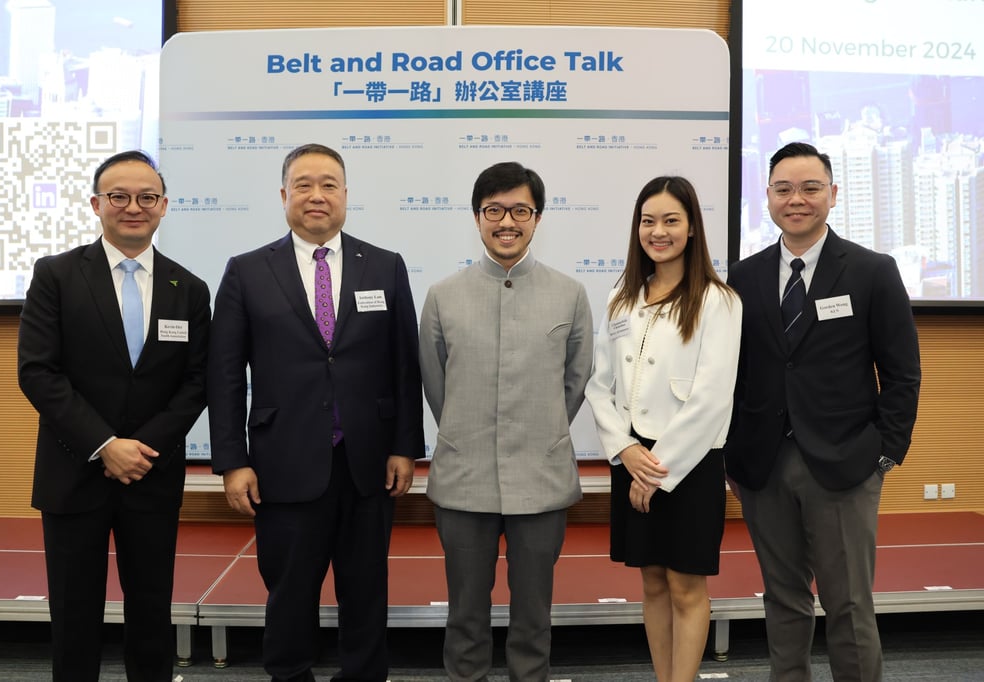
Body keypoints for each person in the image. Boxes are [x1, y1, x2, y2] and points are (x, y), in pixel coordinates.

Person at [207, 143, 424, 682]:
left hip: (368, 462)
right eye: (303, 184)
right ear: (283, 196)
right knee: (289, 592)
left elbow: (405, 366)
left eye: (329, 184)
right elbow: (226, 376)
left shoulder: (387, 267)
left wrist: (404, 446)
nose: (316, 195)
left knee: (367, 590)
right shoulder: (247, 271)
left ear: (346, 195)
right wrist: (232, 460)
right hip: (284, 463)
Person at [725, 142, 921, 681]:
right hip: (763, 467)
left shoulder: (872, 271)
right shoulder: (743, 277)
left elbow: (902, 373)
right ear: (767, 197)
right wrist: (733, 459)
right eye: (784, 188)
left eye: (811, 188)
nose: (797, 199)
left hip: (844, 466)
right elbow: (731, 374)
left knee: (849, 604)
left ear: (833, 195)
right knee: (783, 601)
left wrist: (884, 454)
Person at [17, 150, 210, 681]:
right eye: (119, 196)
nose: (133, 207)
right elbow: (38, 372)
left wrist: (140, 449)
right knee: (74, 615)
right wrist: (106, 444)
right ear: (97, 204)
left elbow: (197, 382)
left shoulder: (187, 288)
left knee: (151, 611)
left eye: (146, 197)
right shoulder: (56, 275)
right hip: (73, 471)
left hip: (151, 473)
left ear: (164, 206)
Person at [419, 161, 593, 681]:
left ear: (537, 217)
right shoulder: (442, 296)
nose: (507, 222)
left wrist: (538, 430)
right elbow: (436, 386)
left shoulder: (569, 294)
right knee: (465, 618)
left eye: (520, 210)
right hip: (463, 480)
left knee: (533, 620)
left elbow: (575, 381)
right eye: (494, 210)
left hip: (540, 482)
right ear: (477, 217)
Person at [584, 176, 741, 682]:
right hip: (632, 455)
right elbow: (598, 383)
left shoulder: (718, 300)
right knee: (651, 582)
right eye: (648, 221)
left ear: (692, 227)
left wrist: (655, 471)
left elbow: (713, 396)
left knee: (685, 587)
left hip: (686, 461)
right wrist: (625, 449)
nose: (658, 231)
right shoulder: (621, 295)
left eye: (671, 220)